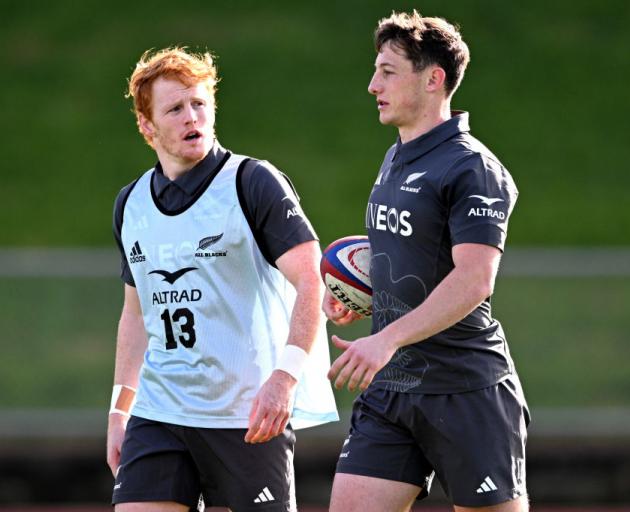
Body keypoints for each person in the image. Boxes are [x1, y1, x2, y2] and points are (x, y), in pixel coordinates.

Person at [106, 47, 337, 512]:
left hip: (245, 414)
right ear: (147, 126)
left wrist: (285, 377)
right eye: (175, 108)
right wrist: (119, 407)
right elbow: (136, 313)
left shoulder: (252, 182)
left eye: (200, 104)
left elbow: (311, 280)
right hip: (160, 411)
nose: (192, 117)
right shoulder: (130, 204)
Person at [323, 11, 530, 512]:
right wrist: (366, 296)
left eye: (388, 72)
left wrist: (387, 338)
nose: (373, 85)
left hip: (465, 390)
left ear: (433, 79)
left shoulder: (472, 168)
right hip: (392, 387)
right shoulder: (397, 156)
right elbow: (412, 254)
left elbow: (475, 279)